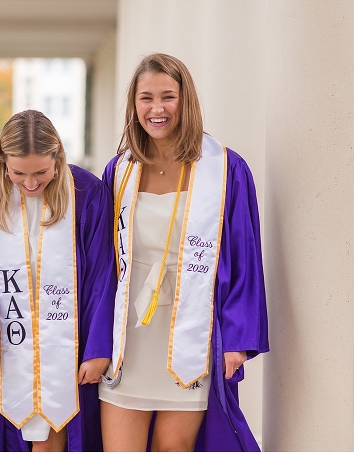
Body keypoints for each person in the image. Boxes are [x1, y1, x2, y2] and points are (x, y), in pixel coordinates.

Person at [99, 53, 269, 451]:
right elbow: (101, 261)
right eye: (146, 98)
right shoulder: (119, 170)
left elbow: (245, 256)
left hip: (190, 330)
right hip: (128, 333)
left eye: (168, 97)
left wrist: (237, 339)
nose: (156, 109)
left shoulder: (225, 168)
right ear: (134, 104)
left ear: (185, 100)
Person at [0, 109, 117, 451]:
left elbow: (102, 277)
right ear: (2, 161)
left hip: (66, 341)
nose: (30, 184)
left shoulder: (86, 192)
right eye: (18, 173)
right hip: (1, 341)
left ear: (57, 157)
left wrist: (98, 348)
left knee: (54, 426)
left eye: (41, 172)